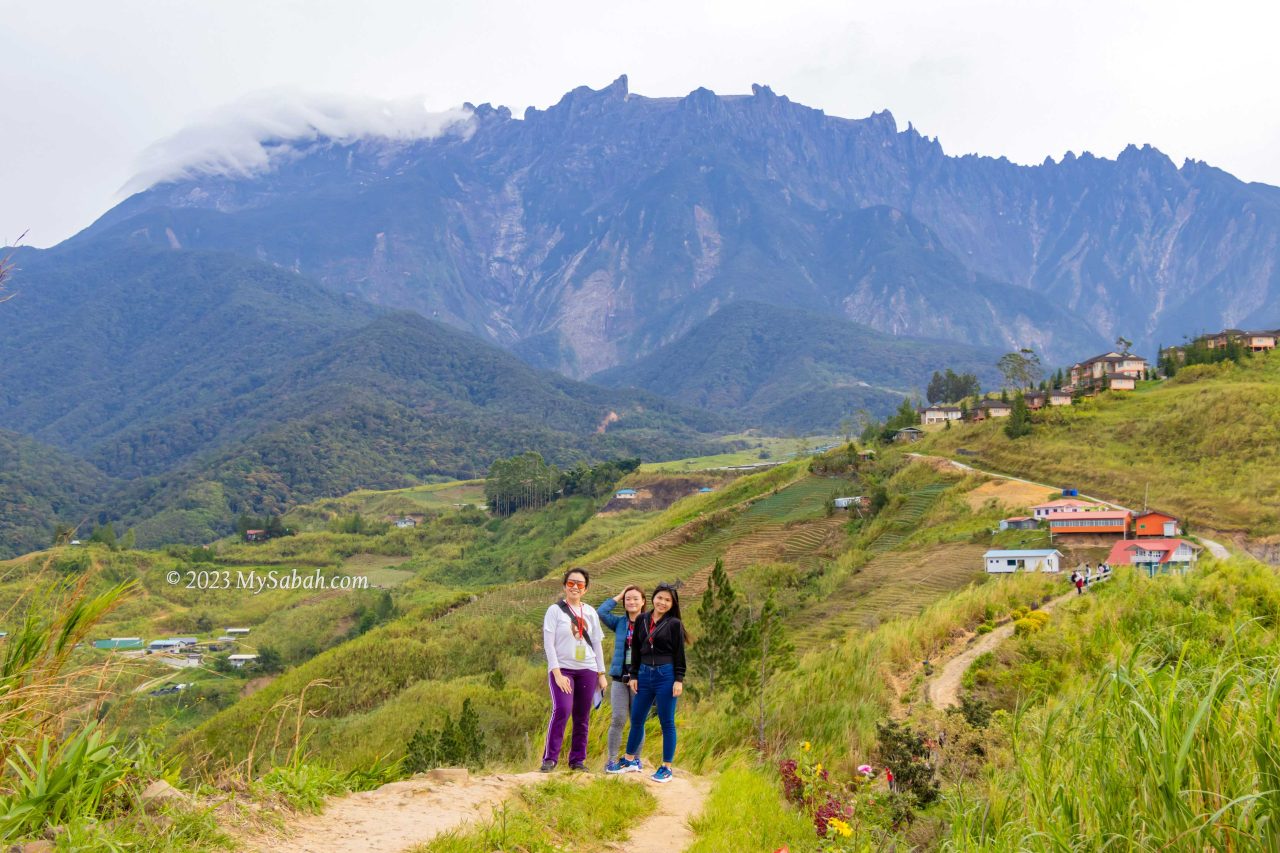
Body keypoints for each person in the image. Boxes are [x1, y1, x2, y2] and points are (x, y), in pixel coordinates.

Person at [609, 582, 688, 783]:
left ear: (672, 604)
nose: (662, 602)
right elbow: (635, 650)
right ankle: (628, 760)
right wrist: (634, 675)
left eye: (667, 600)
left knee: (666, 722)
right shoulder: (643, 619)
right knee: (637, 719)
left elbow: (680, 654)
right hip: (643, 674)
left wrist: (679, 679)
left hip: (666, 676)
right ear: (652, 598)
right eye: (660, 598)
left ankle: (666, 767)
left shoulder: (674, 624)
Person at [540, 568, 608, 772]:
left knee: (582, 715)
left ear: (585, 589)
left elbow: (596, 644)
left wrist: (601, 674)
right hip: (564, 670)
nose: (575, 587)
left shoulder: (590, 613)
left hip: (587, 668)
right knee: (562, 710)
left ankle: (577, 760)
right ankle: (550, 758)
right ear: (564, 586)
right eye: (571, 583)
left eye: (580, 584)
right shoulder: (555, 611)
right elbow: (548, 644)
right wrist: (557, 673)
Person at [598, 585, 647, 772]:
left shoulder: (649, 623)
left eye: (635, 598)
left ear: (643, 601)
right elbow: (601, 611)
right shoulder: (619, 623)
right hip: (619, 678)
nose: (631, 602)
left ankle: (635, 759)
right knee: (618, 719)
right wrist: (619, 595)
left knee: (638, 720)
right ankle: (611, 761)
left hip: (641, 680)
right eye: (628, 599)